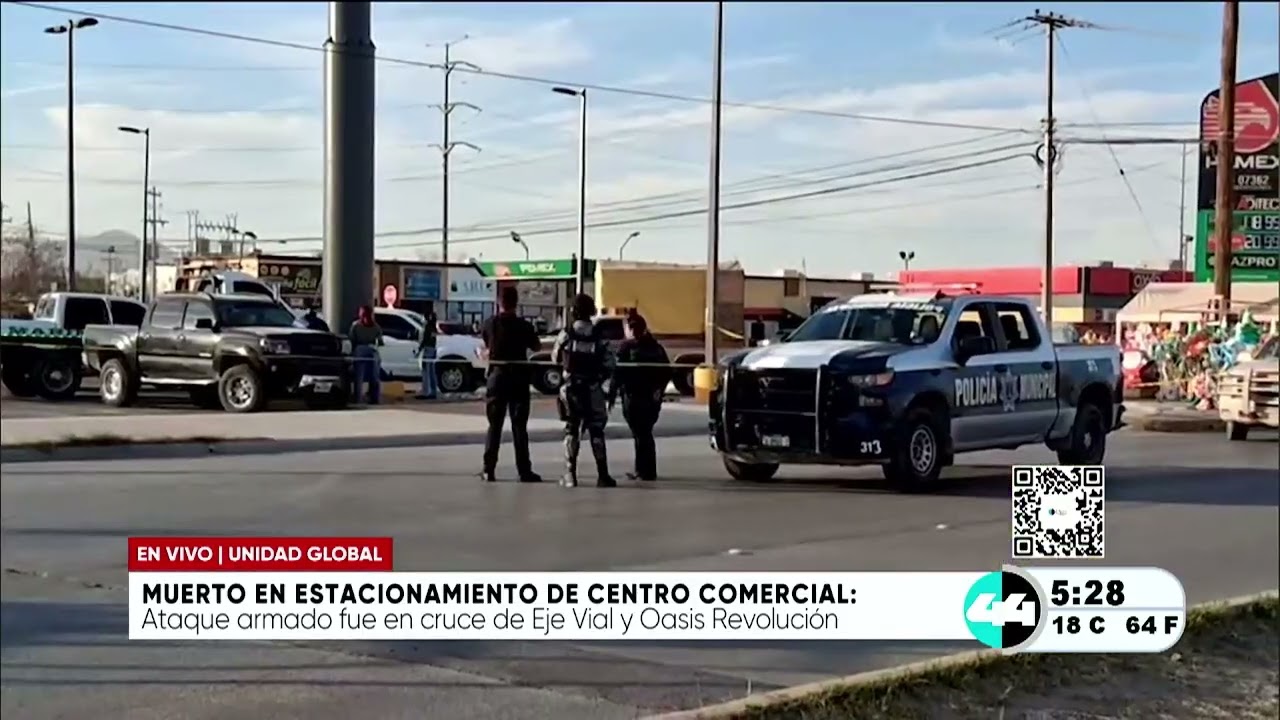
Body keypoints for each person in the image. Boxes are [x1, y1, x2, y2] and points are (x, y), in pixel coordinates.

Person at [480, 286, 542, 483]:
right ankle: (524, 470)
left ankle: (488, 469)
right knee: (519, 427)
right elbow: (536, 346)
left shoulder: (489, 324)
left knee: (494, 426)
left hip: (497, 378)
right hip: (518, 379)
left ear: (499, 302)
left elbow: (486, 344)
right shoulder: (524, 326)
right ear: (516, 303)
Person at [552, 293, 615, 488]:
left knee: (572, 429)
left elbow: (555, 358)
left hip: (570, 389)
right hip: (593, 389)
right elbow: (610, 363)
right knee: (597, 430)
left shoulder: (566, 334)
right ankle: (603, 475)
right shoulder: (599, 336)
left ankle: (570, 475)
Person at [608, 310, 670, 481]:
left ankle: (645, 471)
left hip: (636, 396)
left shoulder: (627, 348)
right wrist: (659, 391)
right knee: (643, 433)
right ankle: (644, 468)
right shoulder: (655, 347)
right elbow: (666, 371)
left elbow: (617, 373)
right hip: (648, 396)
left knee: (641, 433)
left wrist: (612, 395)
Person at [348, 305, 383, 405]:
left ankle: (358, 398)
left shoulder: (356, 325)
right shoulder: (376, 327)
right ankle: (374, 398)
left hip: (360, 350)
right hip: (372, 351)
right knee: (374, 376)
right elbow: (380, 342)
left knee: (359, 376)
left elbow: (351, 340)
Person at [416, 308, 438, 400]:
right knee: (432, 371)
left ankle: (426, 392)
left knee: (426, 371)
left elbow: (424, 340)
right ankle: (433, 391)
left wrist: (419, 350)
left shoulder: (427, 327)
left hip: (427, 350)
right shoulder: (434, 327)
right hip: (433, 349)